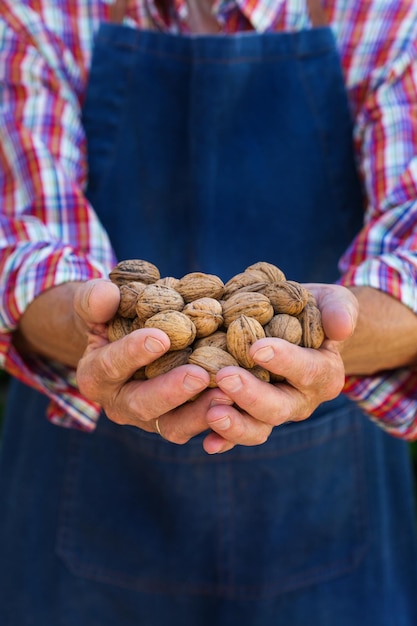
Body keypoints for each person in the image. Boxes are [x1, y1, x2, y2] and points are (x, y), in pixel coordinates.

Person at [1, 0, 417, 623]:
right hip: (85, 503)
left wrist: (321, 341)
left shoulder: (388, 15)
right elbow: (23, 242)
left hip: (327, 509)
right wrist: (96, 326)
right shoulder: (39, 13)